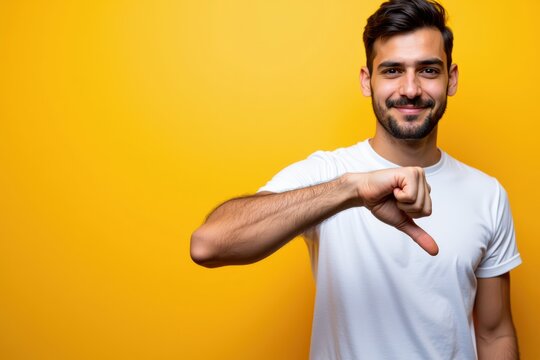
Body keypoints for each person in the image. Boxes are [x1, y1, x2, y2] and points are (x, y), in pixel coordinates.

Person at [190, 0, 522, 358]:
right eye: (392, 71)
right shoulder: (327, 175)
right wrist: (352, 190)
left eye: (428, 70)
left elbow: (494, 332)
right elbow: (208, 245)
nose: (410, 89)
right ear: (367, 81)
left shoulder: (487, 194)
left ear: (451, 78)